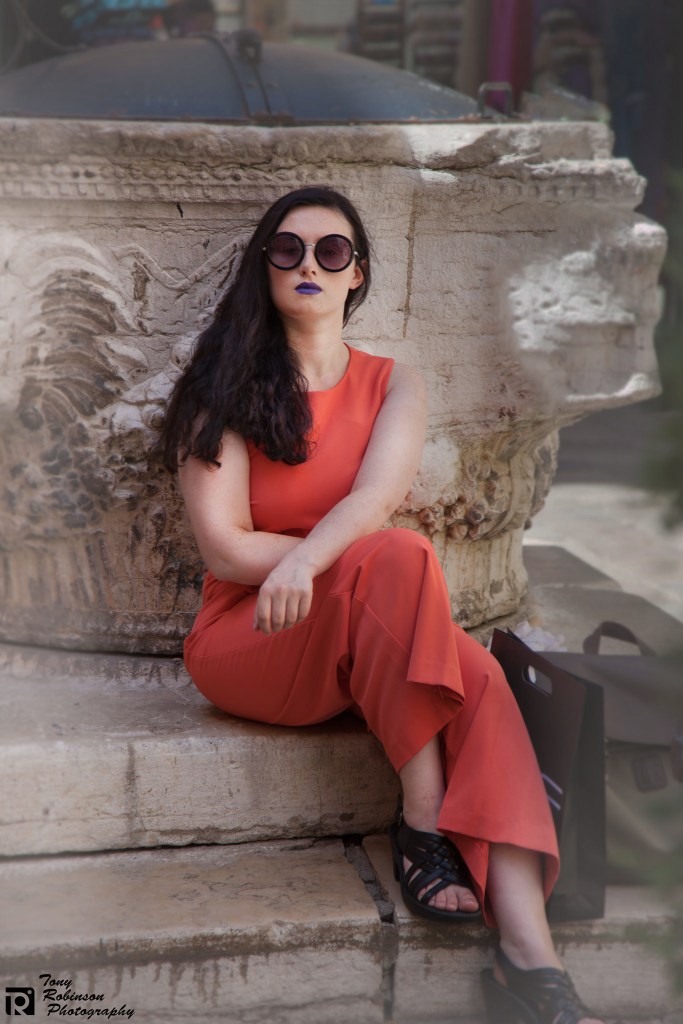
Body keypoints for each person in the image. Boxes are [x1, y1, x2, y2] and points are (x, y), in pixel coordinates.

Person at [157, 185, 604, 1024]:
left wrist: (316, 561)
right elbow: (225, 549)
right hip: (252, 637)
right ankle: (422, 819)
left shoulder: (393, 383)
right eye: (287, 250)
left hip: (362, 617)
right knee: (397, 557)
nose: (309, 265)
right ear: (264, 268)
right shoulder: (222, 389)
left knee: (479, 678)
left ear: (356, 273)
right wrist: (323, 571)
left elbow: (375, 499)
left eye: (331, 251)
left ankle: (531, 961)